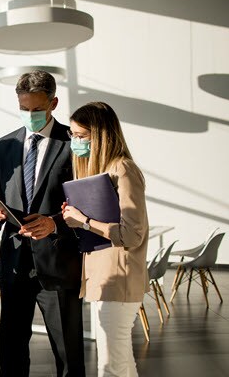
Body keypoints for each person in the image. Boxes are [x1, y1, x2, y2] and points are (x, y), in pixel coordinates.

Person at [0, 70, 85, 377]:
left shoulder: (74, 142)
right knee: (11, 351)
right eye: (24, 109)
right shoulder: (5, 145)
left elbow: (87, 202)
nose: (30, 115)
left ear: (53, 103)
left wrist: (54, 224)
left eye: (37, 110)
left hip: (57, 261)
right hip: (14, 261)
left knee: (68, 352)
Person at [62, 102, 149, 377]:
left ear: (100, 136)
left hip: (118, 280)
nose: (75, 142)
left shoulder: (123, 170)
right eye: (72, 136)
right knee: (122, 362)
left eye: (81, 136)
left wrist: (84, 221)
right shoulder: (99, 172)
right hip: (102, 278)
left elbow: (132, 234)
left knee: (109, 366)